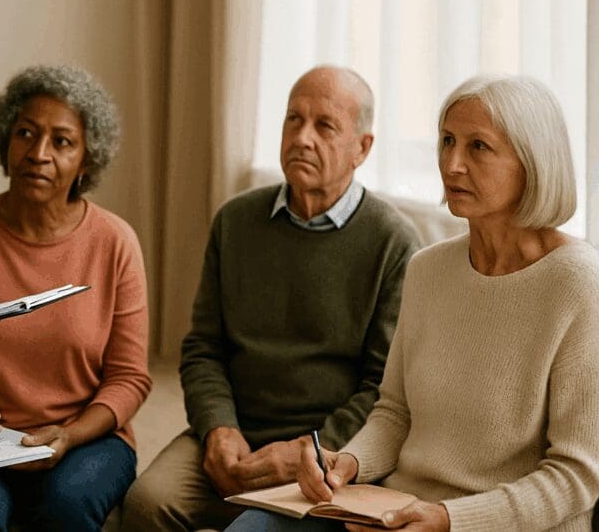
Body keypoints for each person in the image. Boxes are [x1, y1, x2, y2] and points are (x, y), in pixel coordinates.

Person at [227, 74, 599, 531]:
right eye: (447, 141)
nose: (452, 163)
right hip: (393, 510)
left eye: (478, 146)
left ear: (533, 161)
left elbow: (577, 474)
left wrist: (448, 518)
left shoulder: (579, 283)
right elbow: (395, 413)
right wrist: (348, 463)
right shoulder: (427, 270)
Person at [121, 65, 422, 532]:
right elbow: (204, 348)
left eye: (325, 126)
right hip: (235, 430)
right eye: (292, 119)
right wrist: (218, 428)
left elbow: (384, 388)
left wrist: (310, 448)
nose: (302, 137)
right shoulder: (235, 221)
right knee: (146, 504)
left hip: (327, 451)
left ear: (362, 148)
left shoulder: (394, 242)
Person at [0, 64, 152, 531]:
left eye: (61, 141)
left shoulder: (116, 243)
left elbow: (129, 378)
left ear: (86, 159)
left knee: (67, 508)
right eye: (26, 133)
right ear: (5, 140)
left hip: (87, 439)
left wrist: (70, 435)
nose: (38, 153)